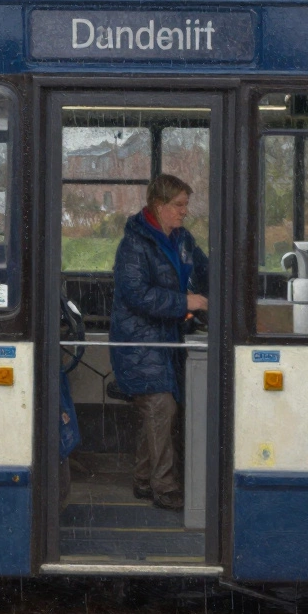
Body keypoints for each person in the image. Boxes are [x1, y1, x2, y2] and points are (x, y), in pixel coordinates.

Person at [109, 174, 208, 511]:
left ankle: (142, 478)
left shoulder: (181, 239)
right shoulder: (134, 245)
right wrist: (185, 303)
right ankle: (164, 488)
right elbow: (137, 295)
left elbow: (207, 270)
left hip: (167, 340)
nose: (184, 212)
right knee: (161, 407)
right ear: (159, 205)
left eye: (186, 205)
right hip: (137, 343)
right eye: (178, 205)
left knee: (160, 411)